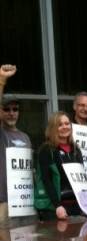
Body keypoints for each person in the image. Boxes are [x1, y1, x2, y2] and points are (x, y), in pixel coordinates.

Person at [34, 112, 83, 220]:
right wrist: (57, 206)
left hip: (76, 206)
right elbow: (46, 180)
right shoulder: (47, 150)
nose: (64, 127)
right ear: (53, 128)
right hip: (55, 208)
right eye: (60, 124)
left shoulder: (76, 149)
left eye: (67, 123)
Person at [0, 64, 32, 221]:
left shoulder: (25, 137)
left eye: (15, 109)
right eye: (6, 109)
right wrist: (2, 81)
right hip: (4, 203)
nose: (11, 113)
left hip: (25, 202)